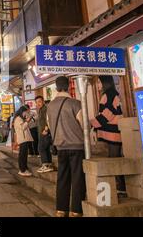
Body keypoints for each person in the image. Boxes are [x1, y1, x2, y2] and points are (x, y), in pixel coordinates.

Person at [47, 76, 86, 217]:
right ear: (68, 86)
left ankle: (61, 209)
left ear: (56, 88)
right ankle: (76, 210)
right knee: (77, 178)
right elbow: (85, 125)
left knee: (62, 178)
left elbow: (50, 126)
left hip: (60, 147)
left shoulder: (50, 106)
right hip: (77, 147)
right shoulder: (76, 104)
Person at [90, 75, 127, 197]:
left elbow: (107, 114)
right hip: (112, 131)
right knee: (114, 158)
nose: (98, 85)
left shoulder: (109, 94)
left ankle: (121, 188)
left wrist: (92, 123)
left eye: (99, 82)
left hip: (113, 132)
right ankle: (120, 187)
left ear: (106, 83)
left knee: (114, 159)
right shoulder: (111, 93)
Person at [14, 106, 33, 177]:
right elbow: (23, 127)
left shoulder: (21, 118)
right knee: (22, 155)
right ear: (23, 111)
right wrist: (27, 121)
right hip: (22, 139)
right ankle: (22, 170)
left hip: (24, 139)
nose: (26, 113)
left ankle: (24, 168)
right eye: (26, 112)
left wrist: (27, 121)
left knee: (24, 155)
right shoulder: (18, 119)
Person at [36, 96, 53, 173]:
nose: (38, 103)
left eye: (39, 101)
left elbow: (48, 119)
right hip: (42, 132)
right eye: (36, 102)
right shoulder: (40, 110)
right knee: (46, 148)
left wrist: (46, 129)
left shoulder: (45, 109)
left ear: (43, 101)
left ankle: (45, 165)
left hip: (45, 132)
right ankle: (49, 164)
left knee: (41, 148)